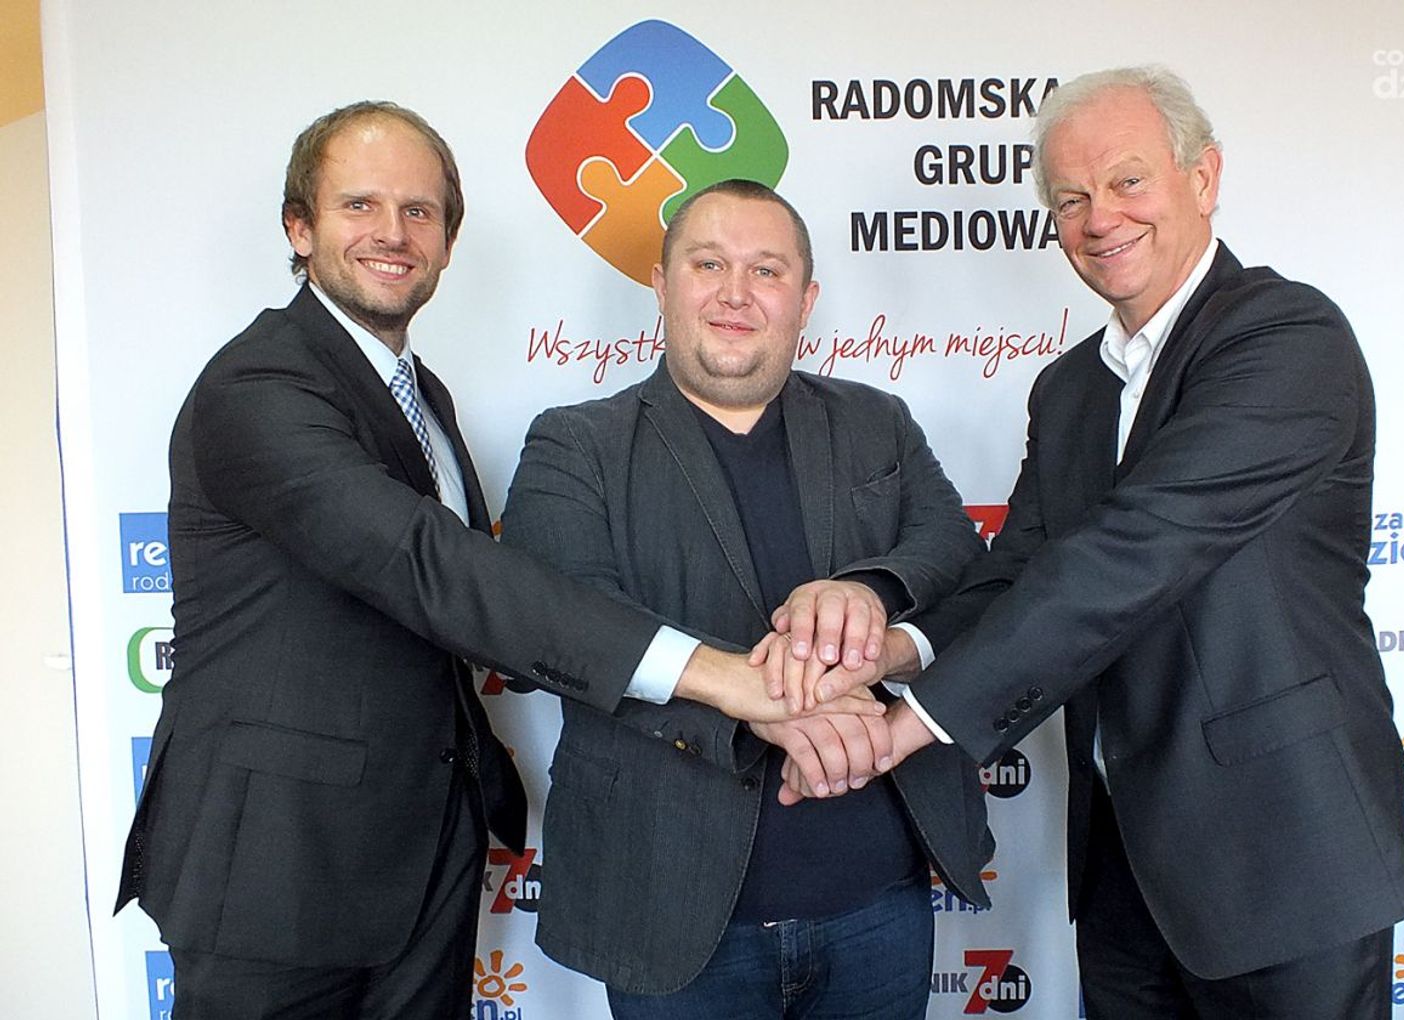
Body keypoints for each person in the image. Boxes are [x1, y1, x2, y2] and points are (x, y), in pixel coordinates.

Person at [114, 103, 876, 1019]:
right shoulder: (258, 385)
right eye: (360, 205)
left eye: (419, 211)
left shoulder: (420, 394)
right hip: (275, 865)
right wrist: (727, 678)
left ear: (446, 241)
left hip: (421, 851)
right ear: (299, 228)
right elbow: (430, 565)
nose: (393, 233)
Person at [799, 67, 1404, 1017]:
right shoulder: (1069, 389)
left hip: (1288, 855)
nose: (1100, 219)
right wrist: (886, 653)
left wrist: (913, 724)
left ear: (1202, 178)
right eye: (1071, 199)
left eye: (1128, 181)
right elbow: (1021, 569)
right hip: (1126, 866)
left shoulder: (1287, 337)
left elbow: (1134, 553)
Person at [498, 179, 992, 1019]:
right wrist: (755, 702)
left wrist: (872, 598)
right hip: (671, 913)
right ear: (662, 286)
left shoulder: (878, 420)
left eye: (766, 270)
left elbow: (957, 559)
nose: (736, 292)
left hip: (882, 905)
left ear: (805, 301)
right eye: (708, 264)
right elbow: (562, 628)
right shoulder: (574, 443)